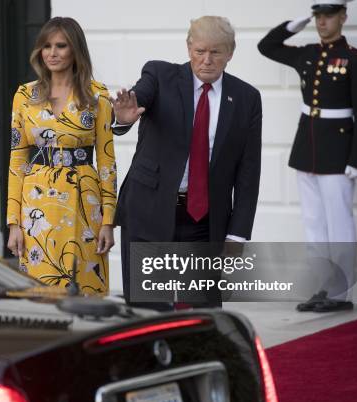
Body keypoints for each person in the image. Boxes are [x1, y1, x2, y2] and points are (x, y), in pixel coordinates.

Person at [112, 16, 262, 308]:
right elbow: (138, 97)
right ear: (189, 47)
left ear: (230, 52)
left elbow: (248, 171)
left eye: (216, 52)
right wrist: (122, 117)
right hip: (150, 210)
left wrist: (237, 233)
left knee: (205, 312)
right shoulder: (159, 75)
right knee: (149, 309)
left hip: (205, 220)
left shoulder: (247, 98)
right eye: (200, 51)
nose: (207, 60)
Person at [258, 0, 357, 312]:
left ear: (343, 17)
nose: (323, 22)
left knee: (339, 223)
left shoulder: (355, 60)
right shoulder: (307, 54)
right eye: (318, 16)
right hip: (306, 149)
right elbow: (266, 46)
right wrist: (297, 22)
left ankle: (340, 293)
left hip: (338, 152)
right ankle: (322, 286)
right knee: (313, 222)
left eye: (329, 16)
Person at [6, 17, 116, 295]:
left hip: (83, 202)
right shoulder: (24, 95)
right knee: (40, 295)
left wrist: (108, 221)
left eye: (60, 46)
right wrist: (13, 223)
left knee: (85, 291)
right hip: (36, 207)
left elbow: (106, 162)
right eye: (46, 46)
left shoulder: (97, 95)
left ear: (75, 50)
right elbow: (17, 161)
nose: (52, 53)